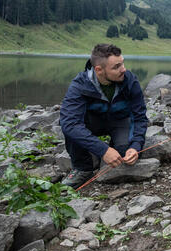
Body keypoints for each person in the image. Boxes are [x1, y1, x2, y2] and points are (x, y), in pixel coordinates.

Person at [59, 43, 149, 188]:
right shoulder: (79, 85)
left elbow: (139, 117)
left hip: (118, 121)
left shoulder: (130, 80)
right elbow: (70, 124)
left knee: (123, 154)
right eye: (116, 67)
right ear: (99, 70)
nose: (123, 69)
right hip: (91, 123)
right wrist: (103, 150)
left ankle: (114, 149)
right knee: (70, 128)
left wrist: (136, 146)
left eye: (123, 63)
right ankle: (83, 168)